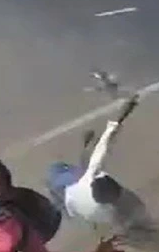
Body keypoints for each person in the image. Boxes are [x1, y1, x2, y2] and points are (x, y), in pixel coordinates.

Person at [47, 96, 148, 233]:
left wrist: (119, 119)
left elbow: (100, 150)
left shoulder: (88, 181)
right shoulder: (105, 212)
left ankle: (53, 191)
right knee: (70, 178)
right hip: (72, 198)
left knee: (59, 170)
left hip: (67, 188)